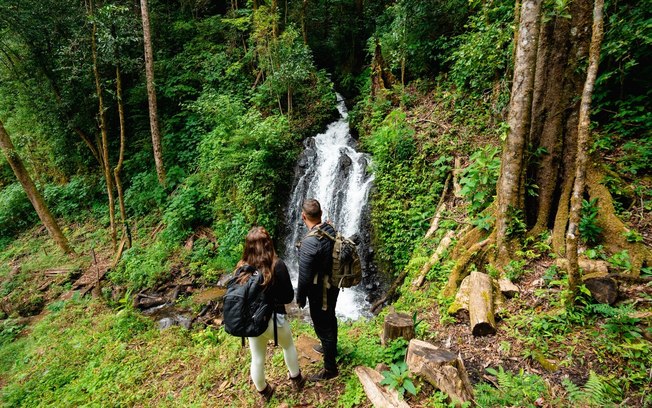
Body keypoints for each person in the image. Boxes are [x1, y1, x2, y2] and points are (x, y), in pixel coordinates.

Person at [237, 226, 305, 402]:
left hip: (252, 320)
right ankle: (296, 379)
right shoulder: (277, 265)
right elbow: (288, 296)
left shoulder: (242, 267)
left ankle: (264, 391)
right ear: (268, 244)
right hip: (274, 320)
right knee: (288, 345)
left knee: (257, 357)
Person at [296, 198, 339, 381]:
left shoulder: (309, 243)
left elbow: (304, 277)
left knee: (323, 325)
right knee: (329, 317)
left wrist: (300, 298)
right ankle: (331, 348)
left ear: (303, 216)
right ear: (321, 214)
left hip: (320, 291)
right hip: (333, 284)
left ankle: (330, 370)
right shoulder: (330, 229)